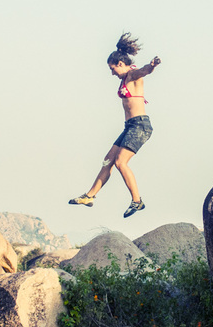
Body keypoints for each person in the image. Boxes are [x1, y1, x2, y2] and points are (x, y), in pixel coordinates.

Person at [69, 33, 161, 218]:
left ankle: (137, 201)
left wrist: (151, 66)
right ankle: (90, 196)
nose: (112, 73)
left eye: (112, 69)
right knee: (108, 159)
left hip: (140, 126)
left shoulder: (132, 75)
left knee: (120, 162)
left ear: (120, 64)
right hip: (130, 126)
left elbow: (144, 70)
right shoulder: (123, 79)